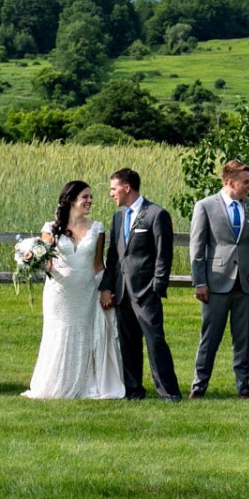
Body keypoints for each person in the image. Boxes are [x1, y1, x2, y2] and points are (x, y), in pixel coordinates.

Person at [24, 180, 125, 399]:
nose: (90, 201)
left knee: (86, 334)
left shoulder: (97, 228)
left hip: (87, 290)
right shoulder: (51, 228)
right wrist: (32, 259)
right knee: (59, 333)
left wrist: (105, 289)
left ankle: (85, 383)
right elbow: (46, 260)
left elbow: (98, 263)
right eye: (85, 197)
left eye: (91, 197)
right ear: (71, 200)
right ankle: (56, 384)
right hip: (59, 293)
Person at [187, 159, 249, 399]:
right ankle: (199, 386)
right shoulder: (205, 206)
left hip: (247, 285)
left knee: (243, 339)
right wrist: (199, 282)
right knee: (209, 338)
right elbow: (197, 248)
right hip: (215, 284)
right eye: (246, 182)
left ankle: (244, 387)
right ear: (230, 182)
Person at [100, 167, 182, 401]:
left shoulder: (156, 214)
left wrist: (157, 288)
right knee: (128, 344)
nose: (111, 194)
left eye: (113, 189)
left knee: (155, 341)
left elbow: (163, 255)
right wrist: (107, 287)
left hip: (146, 290)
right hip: (122, 290)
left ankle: (169, 392)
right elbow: (113, 257)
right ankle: (133, 389)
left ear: (127, 188)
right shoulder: (118, 217)